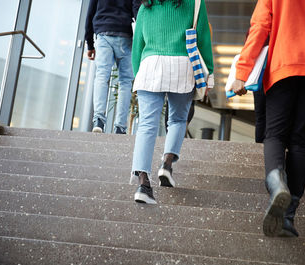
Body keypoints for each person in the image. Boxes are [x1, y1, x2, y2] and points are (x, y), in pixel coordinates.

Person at [229, 0, 305, 237]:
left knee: (275, 134)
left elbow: (260, 25)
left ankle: (276, 184)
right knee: (300, 142)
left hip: (283, 65)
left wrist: (243, 71)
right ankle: (288, 216)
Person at [129, 0, 213, 204]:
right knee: (177, 119)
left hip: (150, 66)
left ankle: (143, 184)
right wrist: (208, 73)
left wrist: (137, 75)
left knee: (147, 125)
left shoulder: (145, 7)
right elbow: (203, 40)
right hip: (182, 66)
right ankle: (166, 164)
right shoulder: (194, 4)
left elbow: (137, 46)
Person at [85, 0, 141, 133]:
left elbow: (90, 14)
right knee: (126, 82)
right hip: (125, 34)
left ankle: (98, 120)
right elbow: (137, 10)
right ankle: (120, 127)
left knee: (102, 76)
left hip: (104, 33)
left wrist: (90, 44)